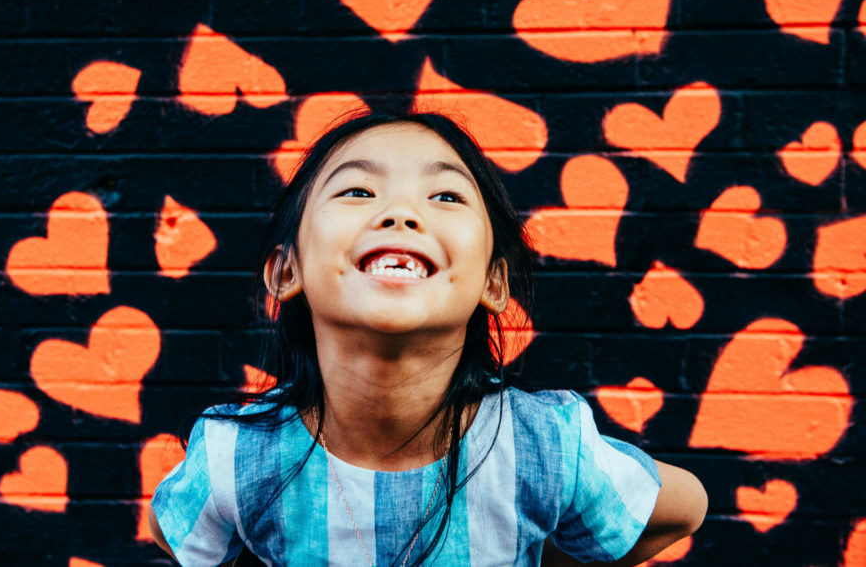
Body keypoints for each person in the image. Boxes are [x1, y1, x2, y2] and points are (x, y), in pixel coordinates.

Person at [148, 99, 708, 566]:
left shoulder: (545, 448)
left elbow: (685, 507)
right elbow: (171, 530)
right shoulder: (236, 455)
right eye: (357, 192)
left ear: (493, 282)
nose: (400, 212)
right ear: (286, 270)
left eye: (445, 197)